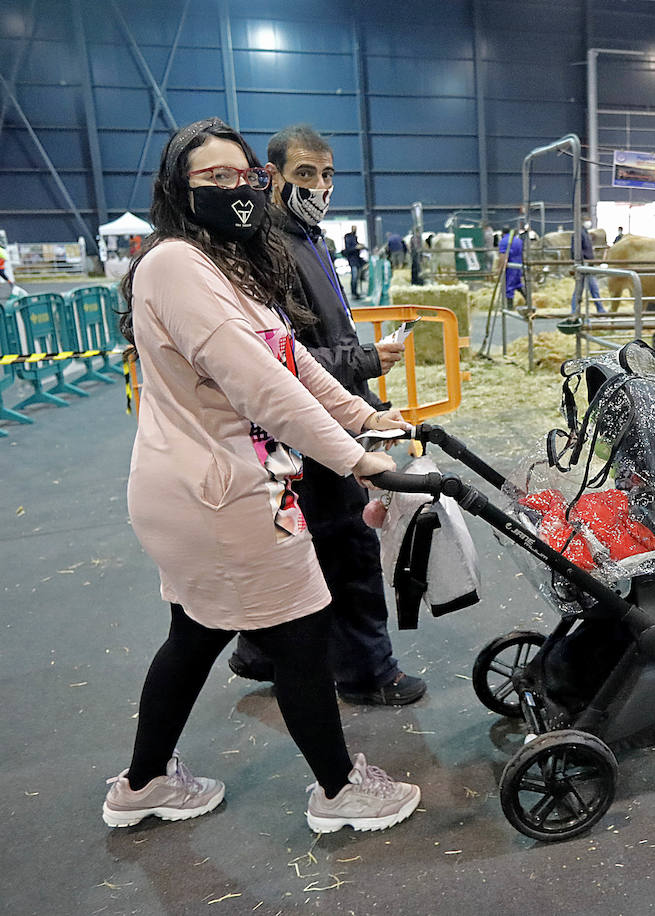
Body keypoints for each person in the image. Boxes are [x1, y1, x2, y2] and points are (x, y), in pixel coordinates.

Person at [102, 117, 420, 833]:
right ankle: (340, 793)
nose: (234, 189)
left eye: (241, 176)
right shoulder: (176, 264)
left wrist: (363, 418)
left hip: (204, 487)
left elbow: (291, 362)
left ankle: (144, 782)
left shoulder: (230, 264)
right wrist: (356, 458)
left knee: (195, 633)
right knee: (302, 635)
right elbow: (257, 386)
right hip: (218, 491)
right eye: (213, 178)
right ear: (179, 188)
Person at [223, 122, 425, 707]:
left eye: (328, 174)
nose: (320, 185)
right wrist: (363, 360)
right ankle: (367, 672)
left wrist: (364, 379)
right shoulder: (273, 248)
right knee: (347, 545)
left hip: (317, 413)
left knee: (298, 541)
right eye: (305, 174)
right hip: (308, 423)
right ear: (273, 177)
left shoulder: (310, 239)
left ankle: (259, 652)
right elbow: (281, 355)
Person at [573, 219, 604, 314]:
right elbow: (576, 250)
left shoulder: (584, 233)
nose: (589, 223)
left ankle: (575, 310)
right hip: (585, 265)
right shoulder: (579, 234)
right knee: (592, 288)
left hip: (587, 264)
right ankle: (600, 309)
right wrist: (583, 261)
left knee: (580, 290)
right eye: (587, 221)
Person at [497, 224, 528, 313]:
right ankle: (529, 301)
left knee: (509, 286)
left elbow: (503, 256)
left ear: (502, 233)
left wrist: (500, 267)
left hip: (510, 267)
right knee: (518, 284)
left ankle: (510, 307)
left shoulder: (503, 241)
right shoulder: (518, 240)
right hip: (519, 265)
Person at [342, 225, 365, 298]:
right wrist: (356, 247)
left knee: (356, 277)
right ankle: (354, 293)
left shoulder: (354, 238)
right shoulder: (349, 238)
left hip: (356, 259)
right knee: (354, 277)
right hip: (352, 260)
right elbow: (348, 249)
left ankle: (355, 293)